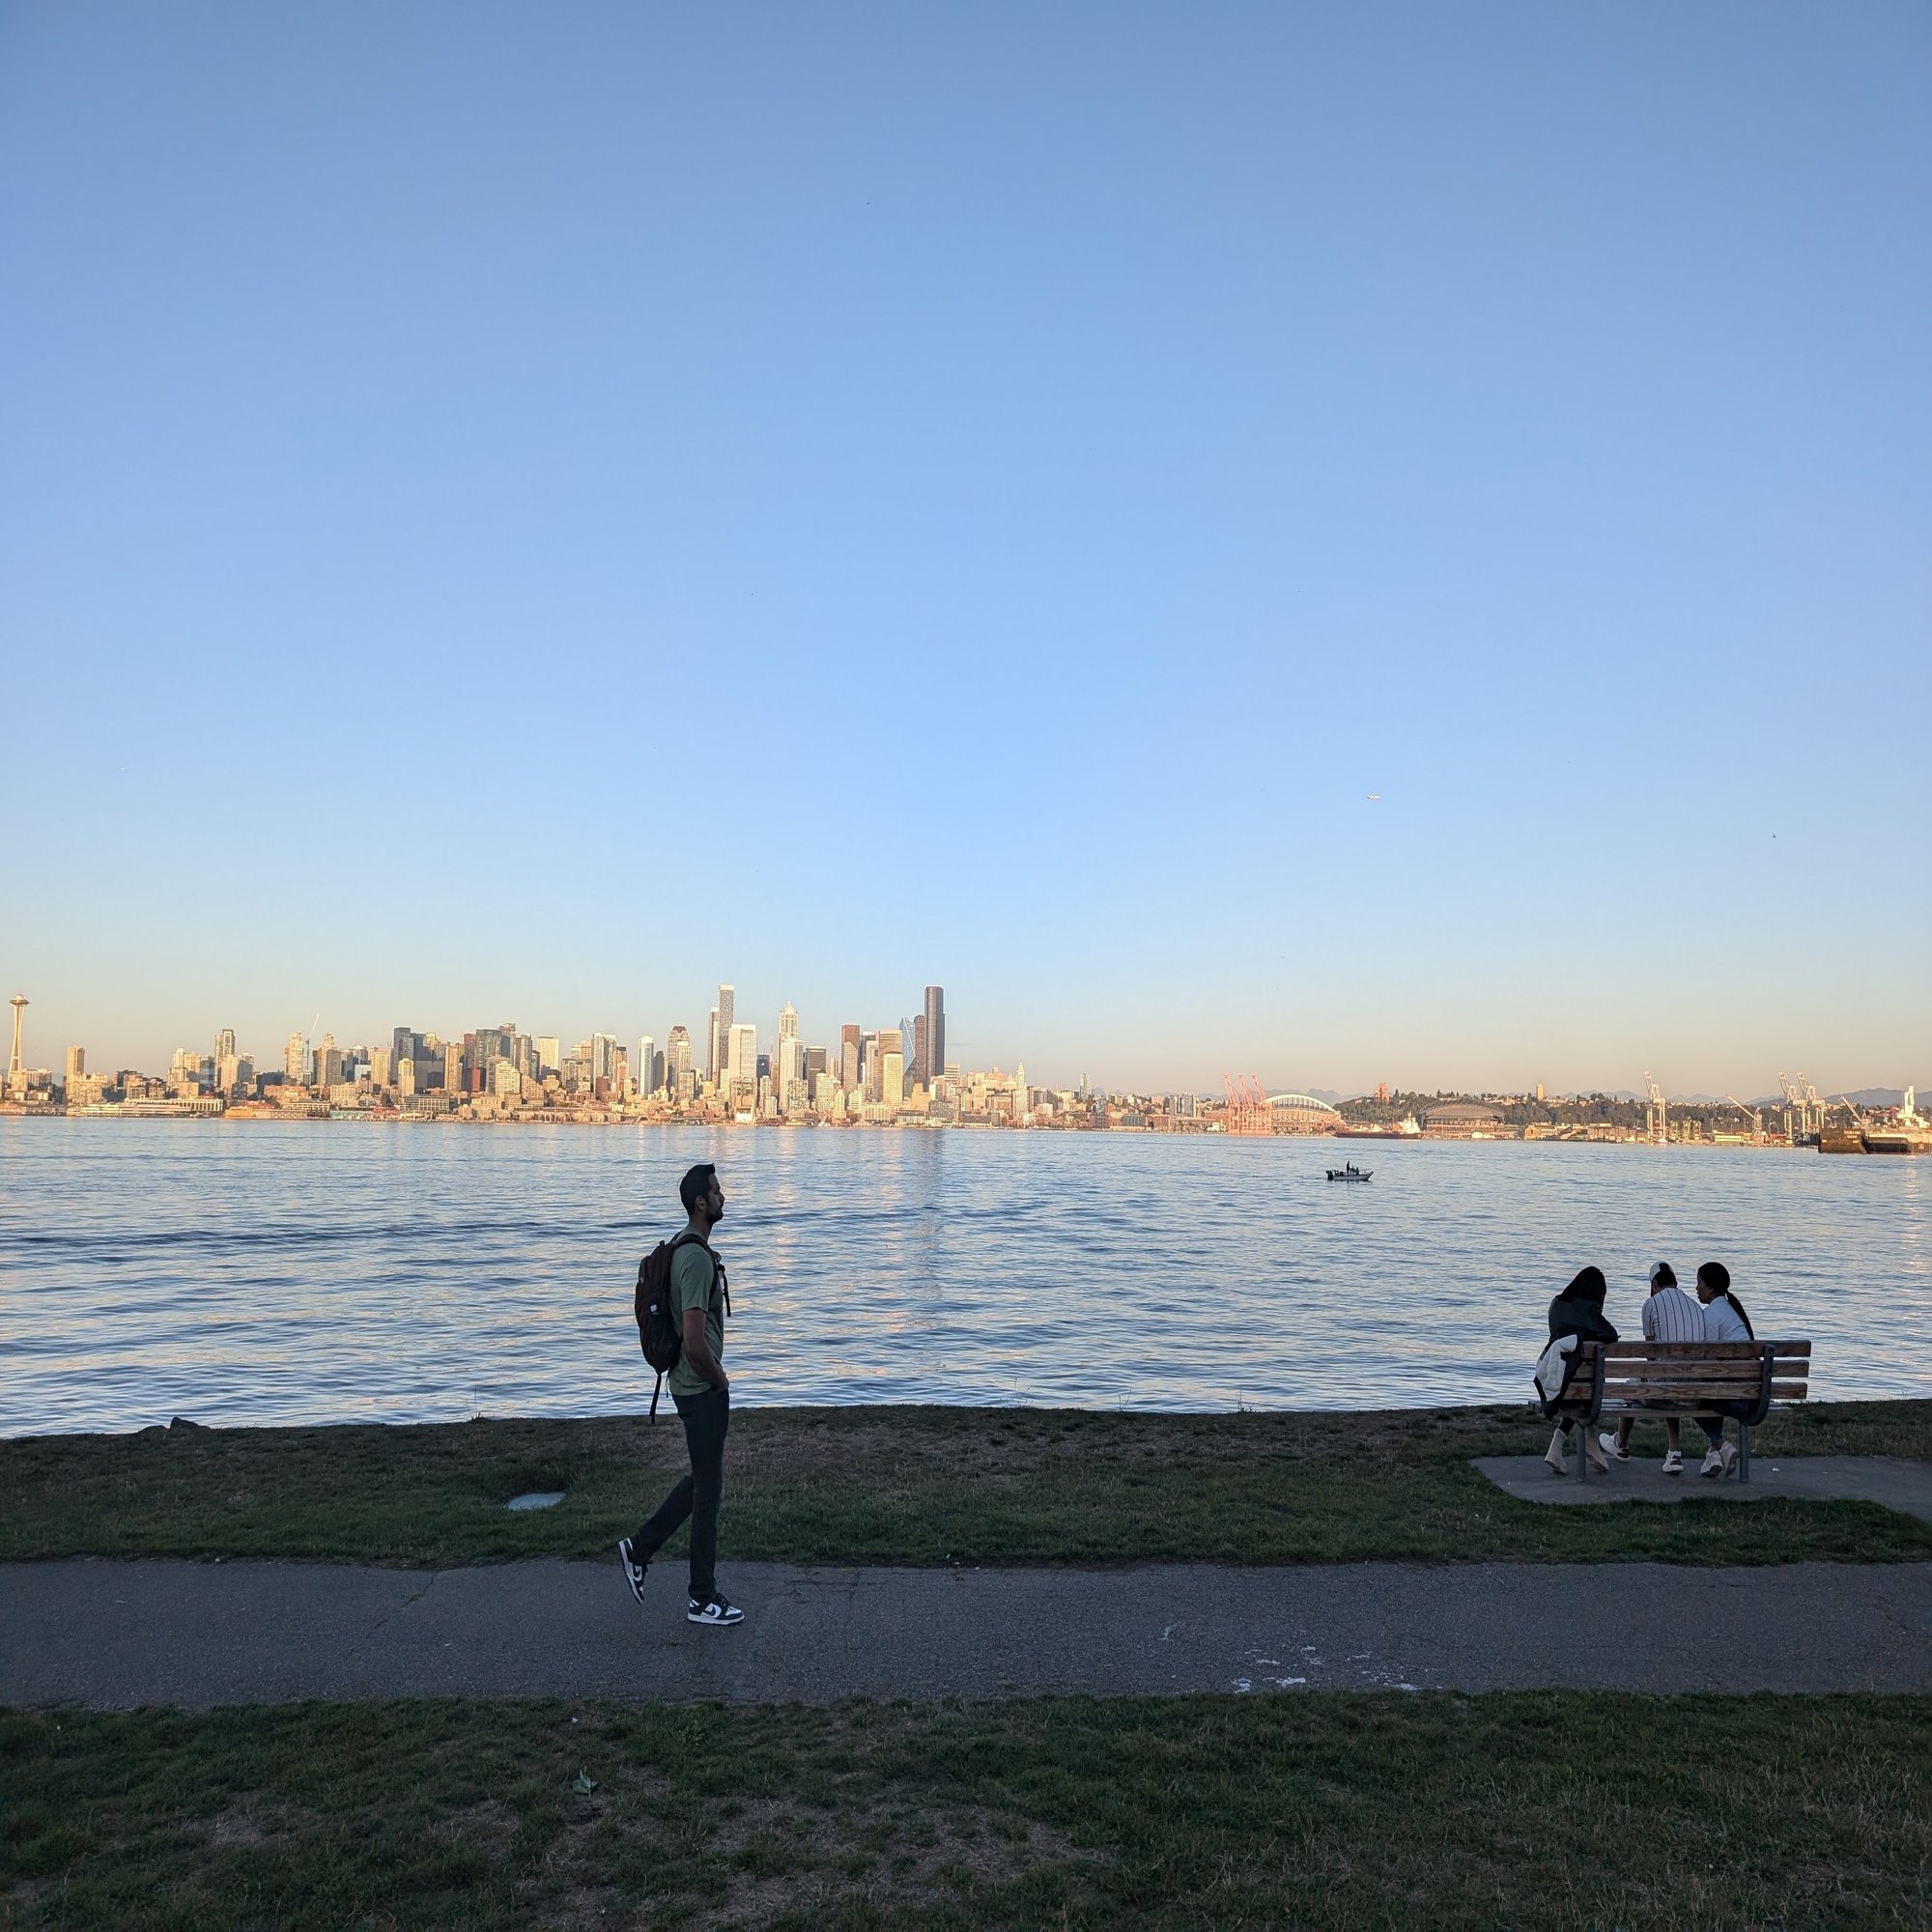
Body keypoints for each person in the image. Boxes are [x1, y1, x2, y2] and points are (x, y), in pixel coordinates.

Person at [618, 1163, 743, 1627]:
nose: (723, 1198)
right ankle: (701, 1599)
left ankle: (639, 1549)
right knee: (709, 1493)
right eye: (717, 1192)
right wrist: (720, 1380)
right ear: (700, 1203)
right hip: (700, 1387)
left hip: (692, 1385)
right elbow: (693, 1339)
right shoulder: (694, 1259)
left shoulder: (687, 1249)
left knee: (702, 1481)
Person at [1600, 1263, 1701, 1473]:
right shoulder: (1695, 1306)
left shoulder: (1651, 1304)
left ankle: (1621, 1444)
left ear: (1654, 1284)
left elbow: (1650, 1354)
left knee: (1634, 1386)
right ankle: (1674, 1454)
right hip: (1695, 1391)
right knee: (1667, 1381)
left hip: (1665, 1391)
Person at [1542, 1265, 1618, 1473]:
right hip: (1582, 1389)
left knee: (1581, 1389)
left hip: (1555, 1382)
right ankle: (1590, 1444)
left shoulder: (1556, 1304)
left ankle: (1557, 1449)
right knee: (1587, 1388)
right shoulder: (1589, 1311)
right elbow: (1611, 1334)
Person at [1692, 1260, 1752, 1477]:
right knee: (1709, 1390)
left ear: (1709, 1288)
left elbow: (1707, 1362)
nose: (1696, 1288)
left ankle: (1721, 1445)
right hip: (1751, 1393)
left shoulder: (1711, 1314)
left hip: (1738, 1398)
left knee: (1692, 1397)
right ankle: (1714, 1455)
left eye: (1699, 1283)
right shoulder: (1731, 1311)